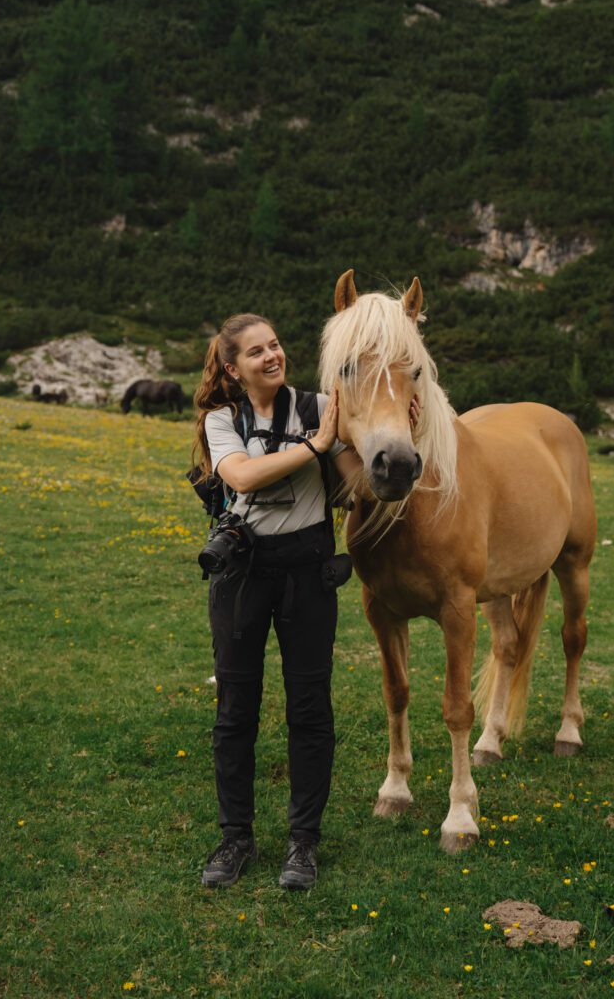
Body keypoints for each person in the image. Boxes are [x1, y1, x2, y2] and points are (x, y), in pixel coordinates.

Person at [192, 313, 359, 891]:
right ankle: (235, 838)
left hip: (309, 574)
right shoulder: (222, 419)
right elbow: (241, 476)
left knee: (310, 708)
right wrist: (317, 444)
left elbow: (355, 488)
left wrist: (388, 437)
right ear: (234, 370)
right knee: (235, 711)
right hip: (243, 575)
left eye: (277, 345)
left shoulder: (318, 405)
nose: (272, 356)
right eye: (257, 352)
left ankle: (303, 844)